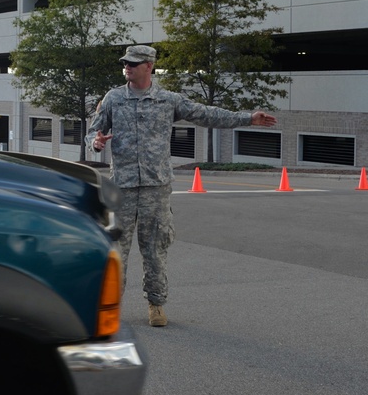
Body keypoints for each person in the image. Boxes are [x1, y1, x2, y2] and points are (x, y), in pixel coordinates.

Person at [88, 45, 277, 327]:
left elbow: (207, 114)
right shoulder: (114, 98)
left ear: (150, 66)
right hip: (122, 186)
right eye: (125, 63)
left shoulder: (167, 100)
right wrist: (96, 141)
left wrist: (247, 118)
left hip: (157, 186)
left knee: (155, 249)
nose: (127, 67)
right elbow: (94, 129)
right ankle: (110, 307)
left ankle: (156, 304)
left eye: (133, 63)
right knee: (115, 251)